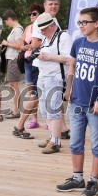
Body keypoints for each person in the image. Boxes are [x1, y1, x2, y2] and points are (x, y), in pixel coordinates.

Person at [56, 8, 98, 196]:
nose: (80, 26)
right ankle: (77, 178)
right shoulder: (78, 42)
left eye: (84, 22)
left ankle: (93, 181)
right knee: (75, 143)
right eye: (79, 22)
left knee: (97, 145)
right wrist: (69, 87)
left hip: (95, 104)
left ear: (96, 24)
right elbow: (72, 65)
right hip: (77, 102)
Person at [33, 12, 72, 154]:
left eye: (43, 29)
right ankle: (52, 138)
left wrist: (48, 56)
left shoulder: (63, 37)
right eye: (40, 30)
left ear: (52, 26)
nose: (42, 32)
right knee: (44, 109)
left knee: (53, 110)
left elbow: (69, 59)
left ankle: (55, 141)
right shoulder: (46, 38)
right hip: (43, 76)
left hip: (55, 77)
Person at [12, 3, 45, 135]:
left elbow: (39, 43)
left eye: (34, 13)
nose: (31, 16)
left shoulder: (43, 27)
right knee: (31, 91)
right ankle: (34, 119)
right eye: (30, 14)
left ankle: (47, 121)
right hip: (27, 60)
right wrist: (27, 46)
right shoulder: (28, 28)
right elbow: (21, 45)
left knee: (40, 91)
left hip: (39, 61)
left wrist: (30, 45)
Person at [0, 9, 24, 119]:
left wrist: (6, 43)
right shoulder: (15, 29)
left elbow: (19, 45)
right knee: (12, 85)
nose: (6, 24)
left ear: (9, 19)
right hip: (11, 59)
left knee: (14, 85)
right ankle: (15, 109)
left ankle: (16, 110)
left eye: (6, 21)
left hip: (14, 59)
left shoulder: (18, 29)